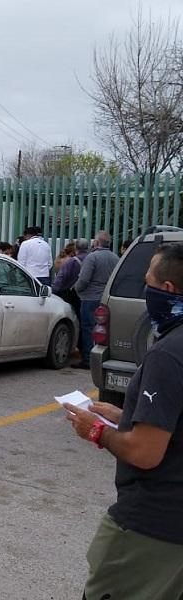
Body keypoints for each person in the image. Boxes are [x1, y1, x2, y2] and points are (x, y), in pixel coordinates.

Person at [63, 243, 183, 599]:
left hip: (153, 525)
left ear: (167, 290)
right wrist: (127, 416)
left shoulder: (168, 354)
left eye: (147, 283)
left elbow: (145, 452)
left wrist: (97, 430)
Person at [73, 231, 120, 369]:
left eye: (94, 240)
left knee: (88, 328)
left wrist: (77, 289)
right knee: (103, 329)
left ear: (97, 243)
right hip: (106, 298)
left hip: (90, 298)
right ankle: (102, 357)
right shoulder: (115, 258)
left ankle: (88, 359)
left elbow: (84, 279)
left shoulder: (92, 257)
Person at [53, 238, 88, 350]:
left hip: (69, 294)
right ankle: (84, 348)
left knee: (69, 319)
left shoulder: (72, 262)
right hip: (86, 295)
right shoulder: (91, 259)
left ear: (76, 249)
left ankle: (74, 345)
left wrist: (53, 291)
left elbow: (61, 279)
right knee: (85, 322)